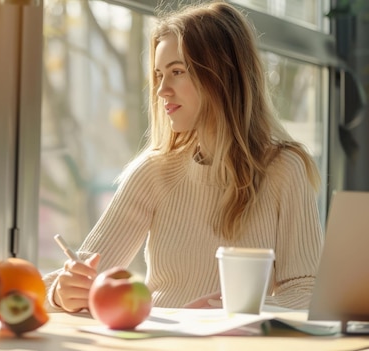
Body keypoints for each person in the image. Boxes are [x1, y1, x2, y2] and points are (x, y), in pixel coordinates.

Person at [42, 1, 324, 313]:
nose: (162, 89)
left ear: (222, 75)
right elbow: (80, 276)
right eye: (159, 74)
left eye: (177, 72)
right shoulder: (153, 171)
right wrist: (60, 292)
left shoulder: (285, 169)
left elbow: (308, 290)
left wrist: (229, 311)